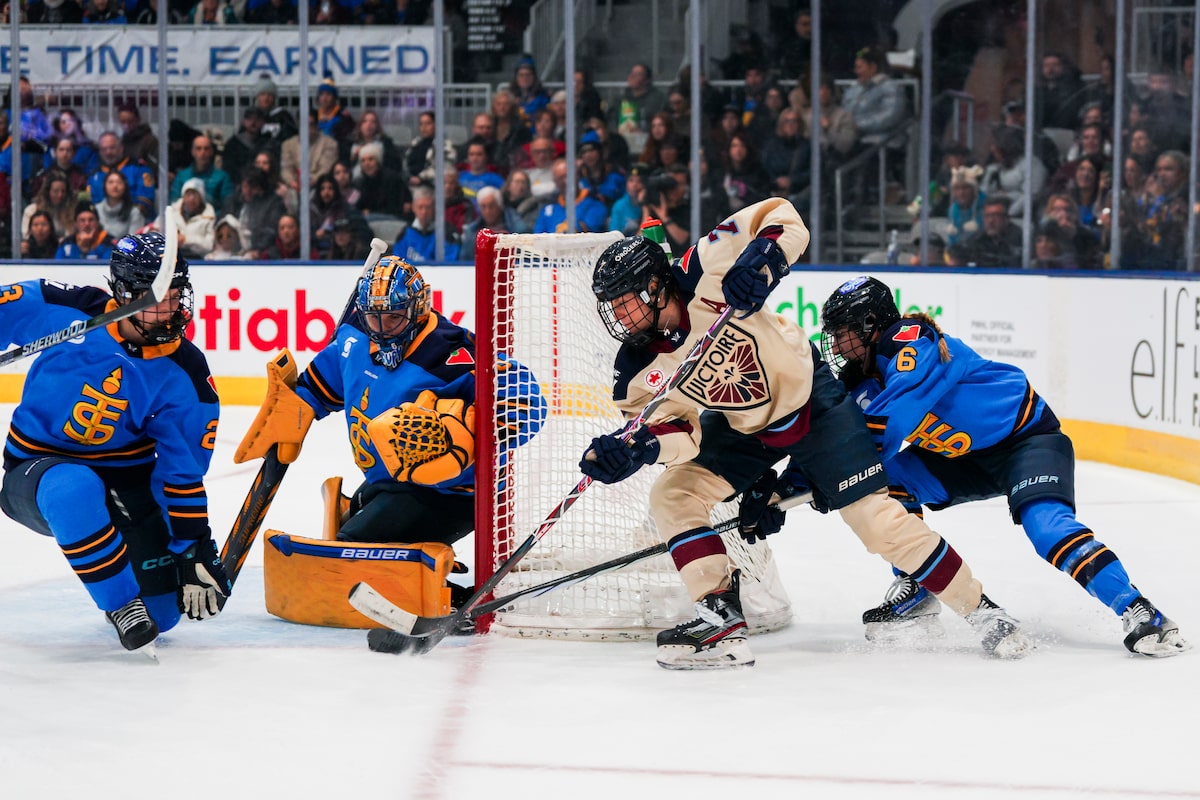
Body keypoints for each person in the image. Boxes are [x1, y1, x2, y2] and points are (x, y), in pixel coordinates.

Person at [581, 199, 1029, 669]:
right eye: (611, 306)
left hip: (814, 402)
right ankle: (719, 616)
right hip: (744, 427)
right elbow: (681, 434)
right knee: (673, 493)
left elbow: (783, 217)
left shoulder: (704, 264)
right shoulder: (634, 370)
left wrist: (763, 259)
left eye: (625, 300)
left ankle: (983, 613)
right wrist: (641, 449)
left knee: (877, 521)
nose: (618, 315)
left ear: (655, 286)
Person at [818, 276, 1189, 657]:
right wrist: (795, 480)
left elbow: (890, 419)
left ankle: (1140, 611)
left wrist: (836, 476)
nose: (836, 345)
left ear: (871, 323)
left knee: (1046, 528)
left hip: (1026, 442)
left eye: (843, 332)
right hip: (962, 460)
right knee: (887, 480)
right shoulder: (862, 380)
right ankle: (918, 585)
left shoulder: (912, 340)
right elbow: (835, 442)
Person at [0, 232, 228, 654]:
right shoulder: (67, 307)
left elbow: (181, 472)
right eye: (156, 297)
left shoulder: (187, 374)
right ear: (124, 294)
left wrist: (192, 542)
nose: (169, 310)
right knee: (73, 489)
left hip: (126, 483)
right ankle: (122, 605)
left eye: (176, 295)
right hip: (37, 469)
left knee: (164, 615)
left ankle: (122, 576)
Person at [237, 256, 545, 549]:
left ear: (418, 309)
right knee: (356, 524)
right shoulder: (355, 338)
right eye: (374, 317)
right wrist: (296, 410)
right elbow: (319, 387)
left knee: (352, 549)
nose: (382, 329)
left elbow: (531, 404)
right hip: (392, 481)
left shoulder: (452, 352)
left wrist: (472, 428)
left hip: (453, 495)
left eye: (394, 318)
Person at [393, 186, 460, 262]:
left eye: (428, 207)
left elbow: (451, 263)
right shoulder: (404, 233)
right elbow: (398, 262)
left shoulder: (447, 233)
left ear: (434, 208)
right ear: (413, 208)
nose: (424, 212)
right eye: (420, 207)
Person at [95, 170, 146, 241]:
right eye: (110, 182)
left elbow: (134, 243)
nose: (115, 186)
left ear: (125, 186)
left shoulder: (134, 212)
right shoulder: (96, 210)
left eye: (119, 182)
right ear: (104, 186)